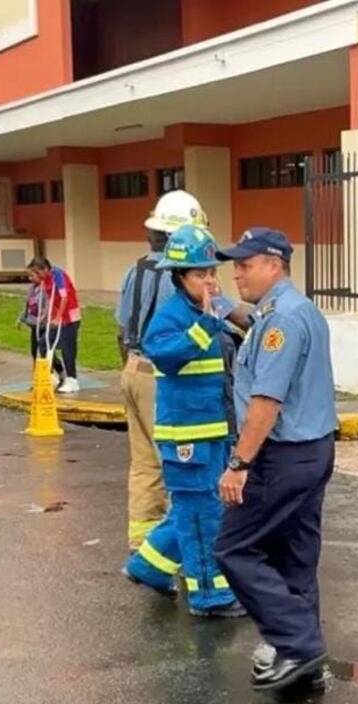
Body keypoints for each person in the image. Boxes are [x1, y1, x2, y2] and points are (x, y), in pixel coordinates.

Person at [213, 228, 338, 694]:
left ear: (273, 263)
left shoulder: (282, 321)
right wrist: (225, 306)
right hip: (313, 450)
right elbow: (255, 323)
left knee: (234, 547)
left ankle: (300, 644)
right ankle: (304, 670)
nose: (236, 272)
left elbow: (267, 400)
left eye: (244, 264)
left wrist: (239, 464)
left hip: (282, 457)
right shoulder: (286, 310)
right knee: (296, 557)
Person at [123, 224, 246, 619]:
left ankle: (147, 567)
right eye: (200, 274)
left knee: (192, 510)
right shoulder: (172, 317)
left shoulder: (207, 311)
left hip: (213, 435)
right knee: (202, 518)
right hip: (186, 441)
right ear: (179, 278)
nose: (210, 280)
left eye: (212, 272)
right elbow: (167, 355)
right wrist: (205, 327)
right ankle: (209, 597)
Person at [115, 191, 209, 550]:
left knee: (143, 464)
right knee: (176, 461)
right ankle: (177, 545)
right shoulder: (180, 279)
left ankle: (142, 540)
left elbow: (122, 330)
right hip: (162, 377)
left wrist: (128, 369)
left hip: (132, 370)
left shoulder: (134, 271)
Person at [27, 257, 82, 395]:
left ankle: (72, 379)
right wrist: (46, 317)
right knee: (43, 343)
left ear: (45, 269)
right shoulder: (45, 280)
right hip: (57, 317)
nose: (36, 276)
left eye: (37, 273)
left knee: (67, 348)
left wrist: (58, 317)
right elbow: (51, 298)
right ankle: (55, 374)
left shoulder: (58, 275)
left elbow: (64, 297)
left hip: (70, 317)